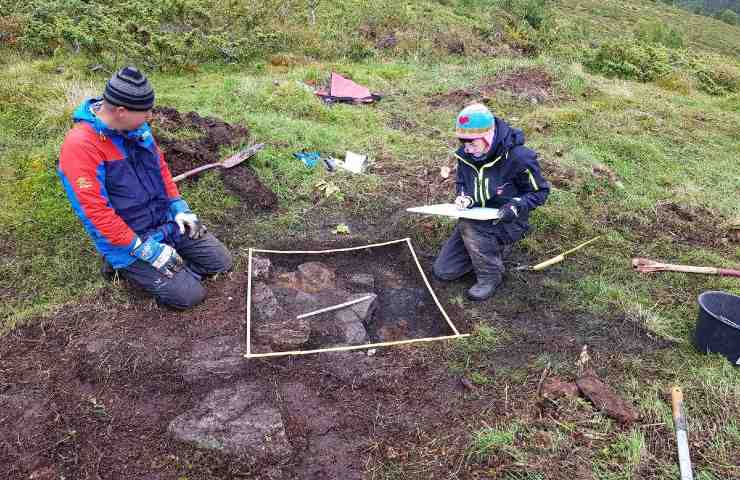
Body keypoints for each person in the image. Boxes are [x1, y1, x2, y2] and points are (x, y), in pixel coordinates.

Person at [58, 66, 232, 309]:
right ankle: (124, 267)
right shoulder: (80, 147)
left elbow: (161, 170)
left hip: (164, 222)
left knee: (221, 262)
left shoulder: (136, 129)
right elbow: (96, 214)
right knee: (189, 296)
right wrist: (146, 250)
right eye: (145, 111)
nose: (150, 116)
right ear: (121, 111)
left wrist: (178, 207)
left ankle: (170, 261)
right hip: (129, 239)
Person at [433, 103, 550, 301]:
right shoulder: (466, 156)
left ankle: (490, 276)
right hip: (477, 218)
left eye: (473, 144)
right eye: (464, 143)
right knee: (444, 271)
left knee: (468, 225)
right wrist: (465, 197)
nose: (467, 150)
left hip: (509, 220)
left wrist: (516, 206)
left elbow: (540, 192)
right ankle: (487, 249)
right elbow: (463, 182)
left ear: (489, 136)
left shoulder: (519, 157)